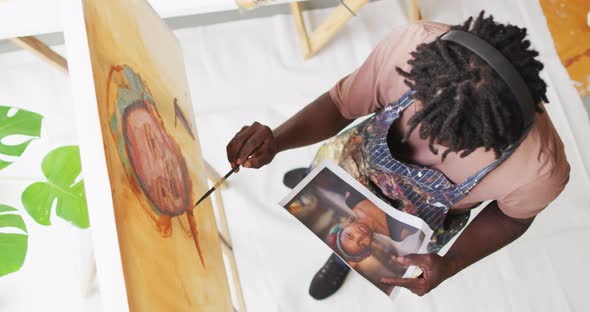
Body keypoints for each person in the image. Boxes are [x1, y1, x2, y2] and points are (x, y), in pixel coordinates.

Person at [225, 12, 570, 299]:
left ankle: (341, 259)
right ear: (421, 71)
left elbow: (512, 218)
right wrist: (278, 140)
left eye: (455, 142)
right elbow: (341, 104)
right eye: (425, 117)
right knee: (323, 173)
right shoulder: (409, 47)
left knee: (355, 242)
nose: (425, 143)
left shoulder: (540, 169)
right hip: (353, 158)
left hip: (411, 223)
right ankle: (315, 177)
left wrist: (452, 263)